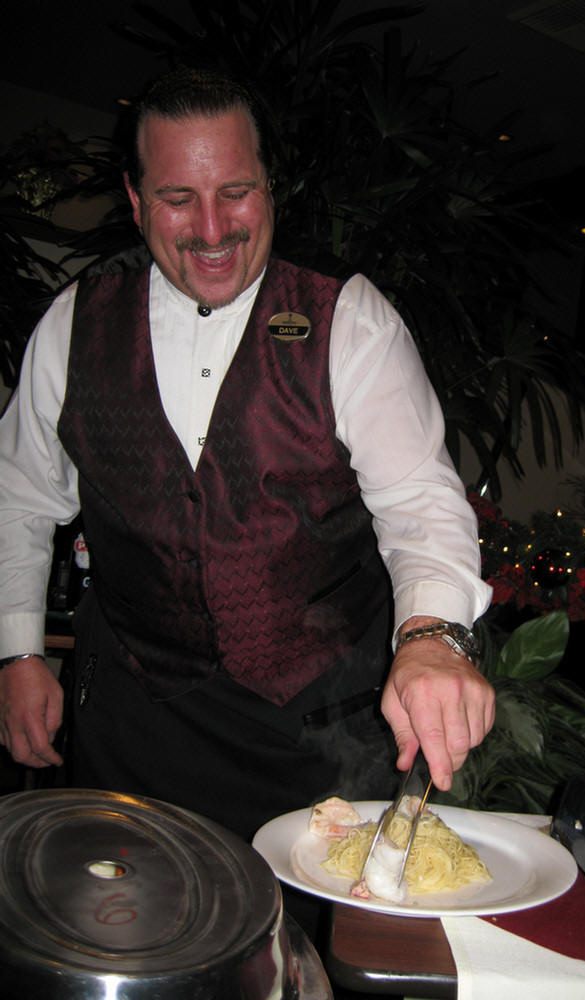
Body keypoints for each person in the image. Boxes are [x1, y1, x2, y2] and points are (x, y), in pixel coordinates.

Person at [0, 67, 494, 841]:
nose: (212, 227)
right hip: (136, 723)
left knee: (301, 959)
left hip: (315, 737)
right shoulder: (74, 325)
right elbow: (20, 498)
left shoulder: (349, 321)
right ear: (134, 201)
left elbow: (421, 504)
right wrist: (17, 653)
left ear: (271, 186)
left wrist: (432, 638)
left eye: (236, 190)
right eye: (176, 197)